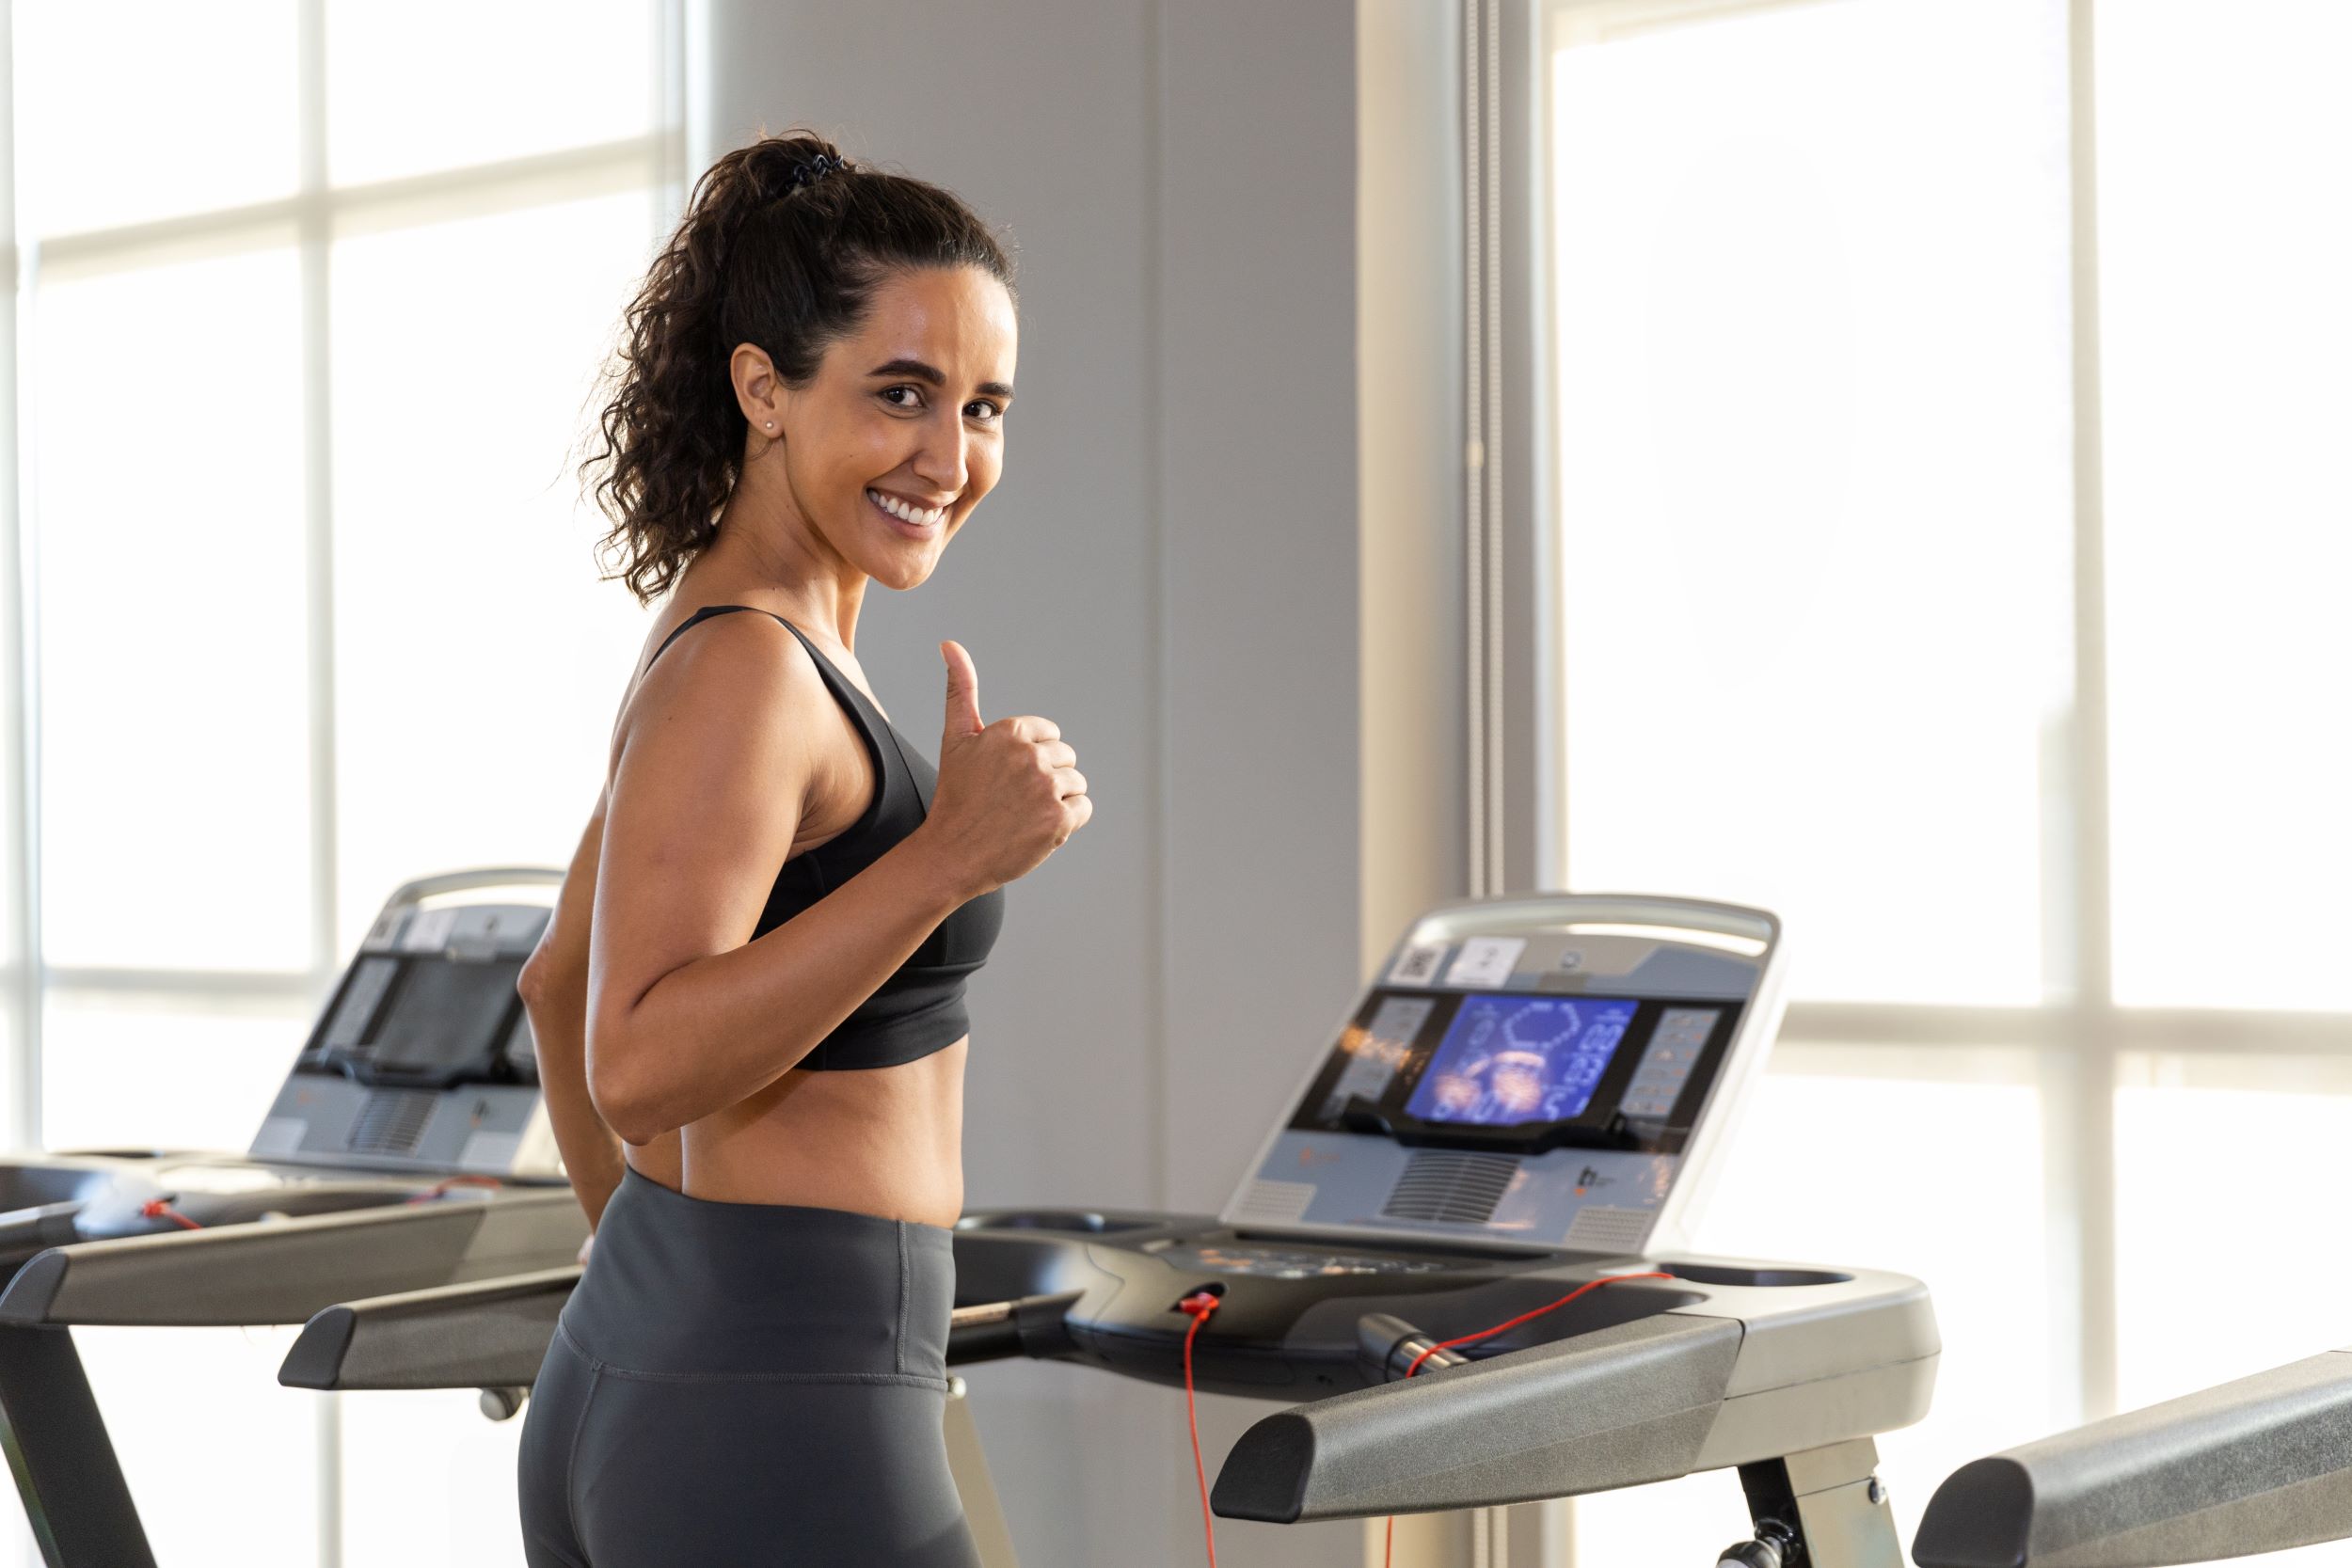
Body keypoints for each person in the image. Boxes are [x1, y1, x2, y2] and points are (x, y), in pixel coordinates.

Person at [511, 131, 1089, 1568]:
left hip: (688, 1364)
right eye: (901, 395)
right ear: (764, 387)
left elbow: (554, 978)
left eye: (984, 406)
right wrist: (947, 859)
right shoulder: (750, 671)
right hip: (783, 1406)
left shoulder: (738, 642)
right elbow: (631, 1055)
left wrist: (664, 1301)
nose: (949, 459)